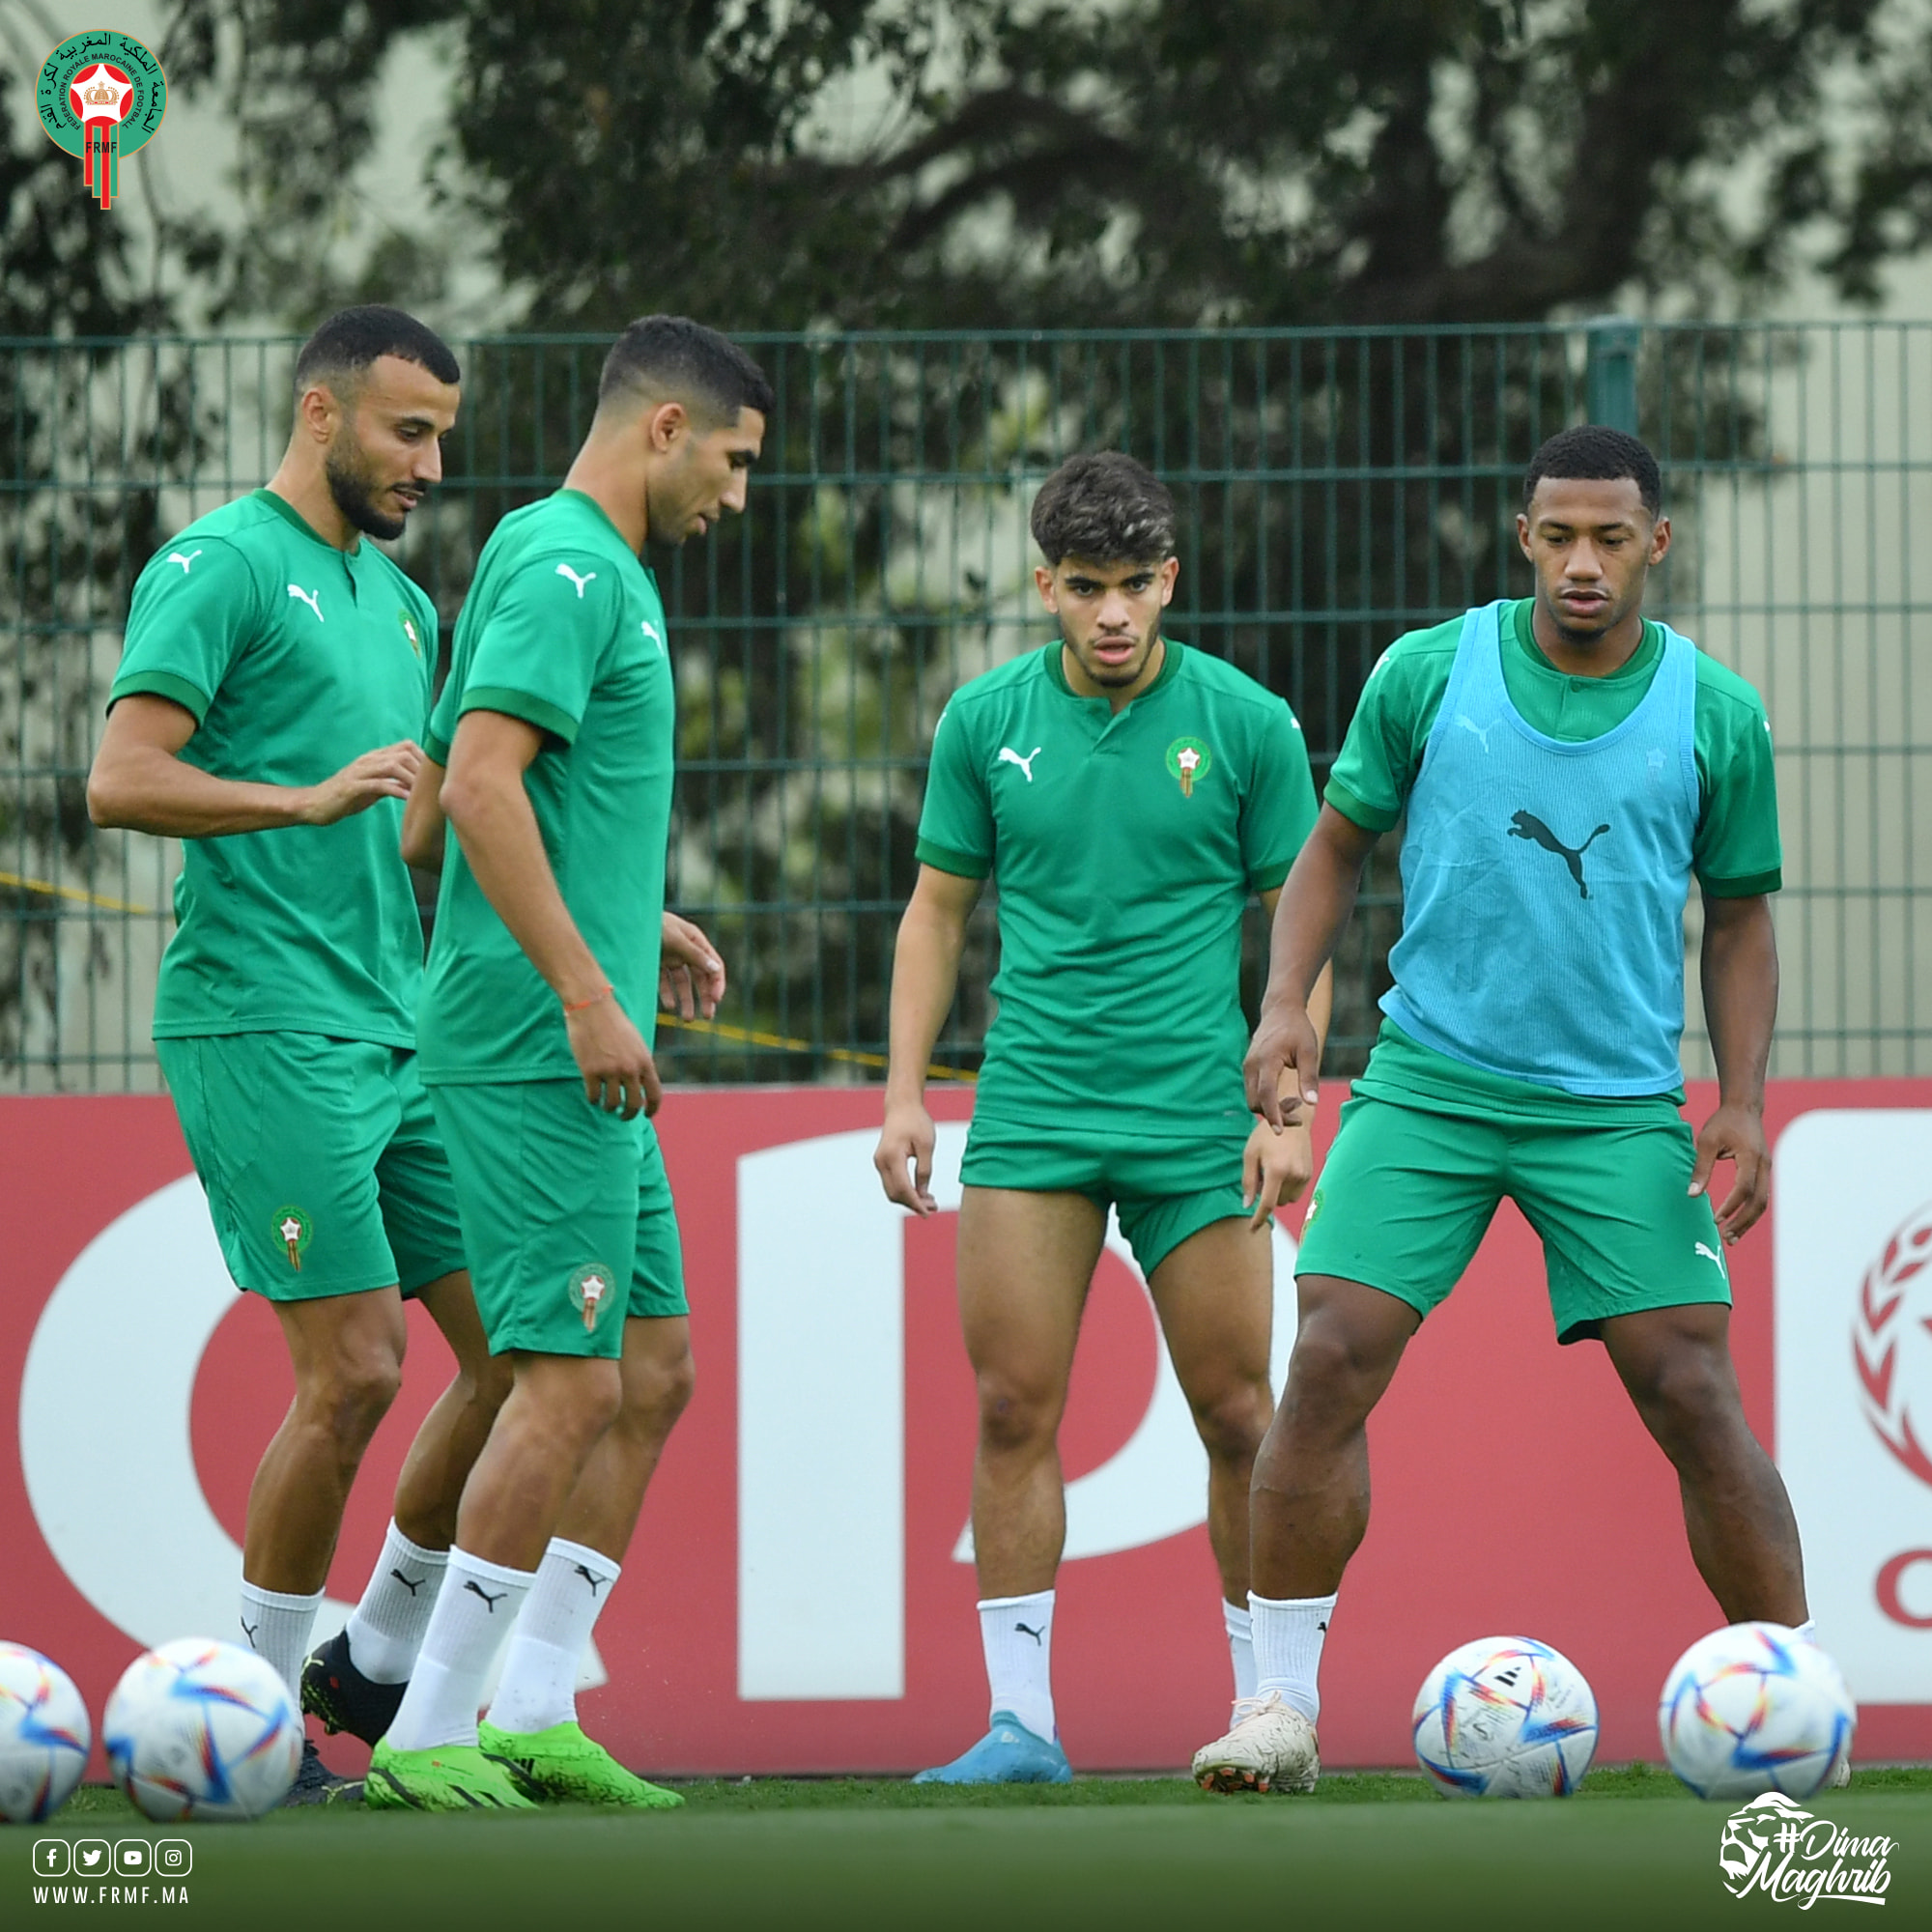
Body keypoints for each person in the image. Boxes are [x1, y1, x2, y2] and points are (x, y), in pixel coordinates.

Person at [1192, 424, 1816, 1795]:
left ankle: (1789, 1705)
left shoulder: (1717, 712)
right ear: (1523, 536)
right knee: (1331, 1353)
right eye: (1559, 536)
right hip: (1431, 1080)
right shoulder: (1429, 672)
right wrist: (1286, 1003)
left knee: (1693, 1388)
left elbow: (1740, 921)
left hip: (1615, 1104)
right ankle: (1278, 1710)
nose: (1583, 563)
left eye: (1611, 538)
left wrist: (1745, 1100)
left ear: (1657, 544)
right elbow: (1333, 848)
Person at [87, 305, 511, 1802]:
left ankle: (373, 1660)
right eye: (409, 432)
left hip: (399, 1032)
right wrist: (300, 801)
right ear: (321, 414)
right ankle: (251, 1728)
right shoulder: (218, 565)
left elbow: (432, 824)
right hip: (262, 1023)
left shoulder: (402, 606)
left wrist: (613, 918)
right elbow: (120, 778)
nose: (431, 467)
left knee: (528, 1357)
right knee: (358, 1368)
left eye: (442, 438)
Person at [363, 315, 771, 1811]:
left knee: (651, 1372)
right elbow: (475, 790)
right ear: (666, 429)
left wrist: (621, 911)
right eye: (734, 460)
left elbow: (442, 813)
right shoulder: (571, 566)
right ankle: (423, 1733)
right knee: (564, 1384)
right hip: (542, 1049)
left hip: (570, 1032)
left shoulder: (582, 567)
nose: (738, 495)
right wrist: (588, 989)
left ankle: (534, 1705)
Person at [874, 452, 1329, 1782]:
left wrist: (1290, 1108)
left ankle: (1269, 1711)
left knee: (1239, 1414)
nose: (1114, 612)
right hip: (1035, 1112)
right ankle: (1021, 1726)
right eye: (1086, 587)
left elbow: (1300, 933)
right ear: (1046, 587)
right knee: (1013, 1406)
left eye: (1136, 583)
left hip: (1200, 1121)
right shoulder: (984, 721)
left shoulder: (1246, 722)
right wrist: (904, 1095)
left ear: (1170, 579)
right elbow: (935, 914)